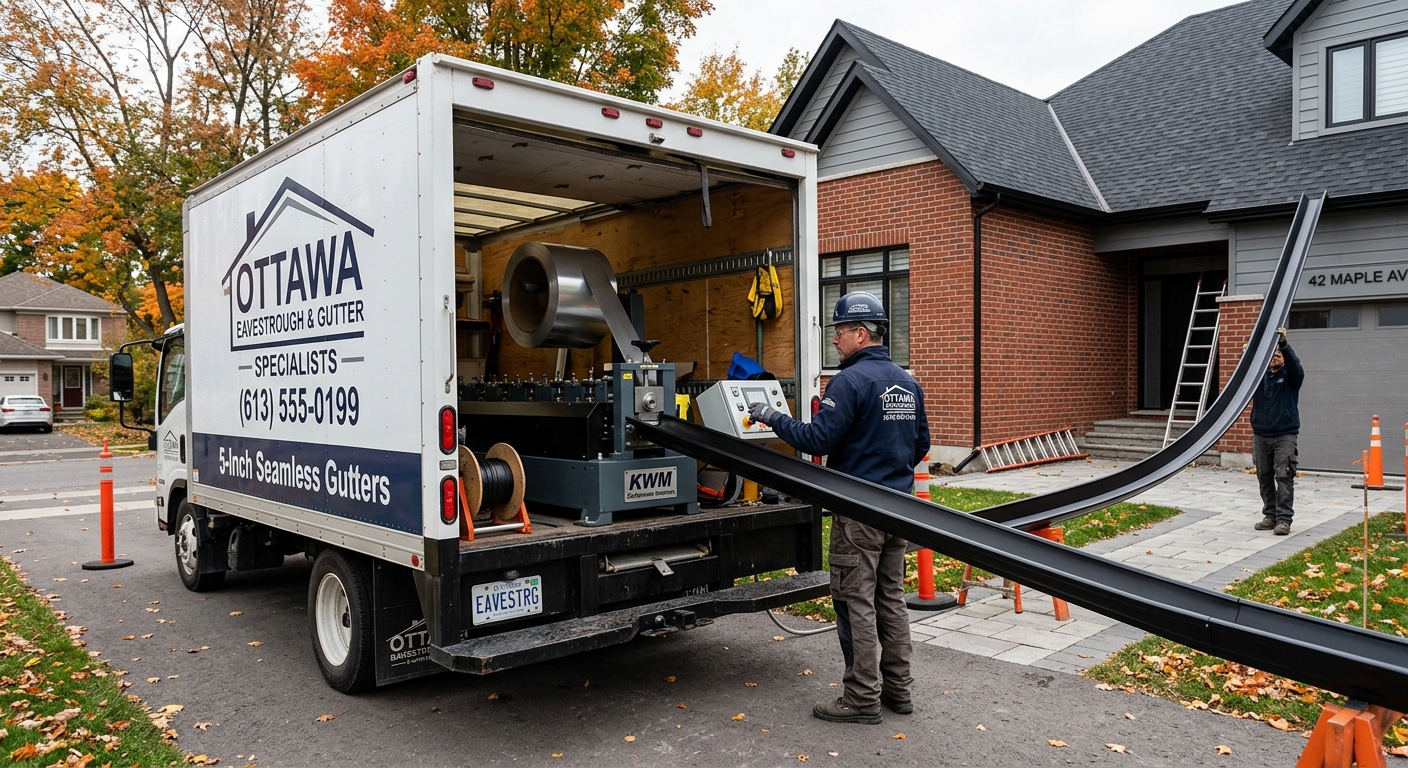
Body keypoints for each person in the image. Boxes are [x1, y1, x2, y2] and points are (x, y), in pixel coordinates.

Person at [746, 291, 930, 725]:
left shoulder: (848, 382)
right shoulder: (906, 381)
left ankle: (862, 698)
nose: (835, 340)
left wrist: (771, 416)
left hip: (858, 514)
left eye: (840, 332)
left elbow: (816, 440)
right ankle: (898, 691)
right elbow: (919, 444)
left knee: (855, 602)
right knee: (891, 599)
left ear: (861, 333)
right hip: (896, 510)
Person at [1250, 326, 1303, 536]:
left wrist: (1284, 345)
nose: (1275, 357)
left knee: (1284, 476)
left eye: (1278, 354)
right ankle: (1270, 516)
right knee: (1264, 476)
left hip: (1285, 436)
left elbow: (1296, 366)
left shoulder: (1292, 378)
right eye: (1272, 354)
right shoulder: (1258, 379)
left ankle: (1284, 520)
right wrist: (1250, 353)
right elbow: (1244, 373)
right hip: (1261, 435)